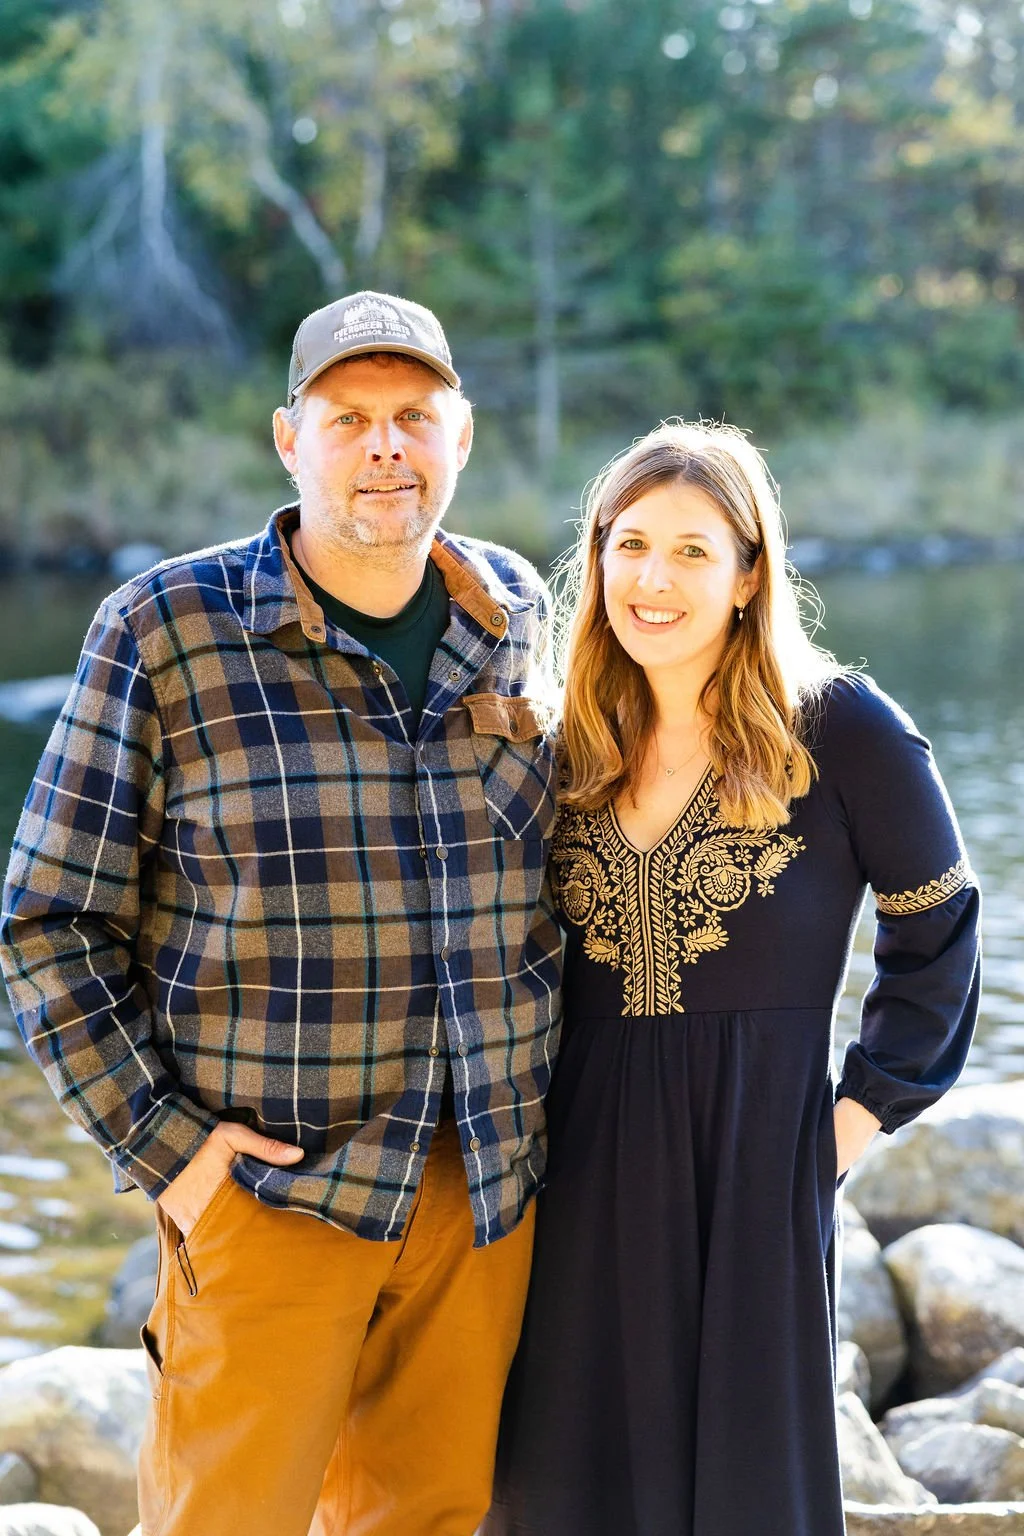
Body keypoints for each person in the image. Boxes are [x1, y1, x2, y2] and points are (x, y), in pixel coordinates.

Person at [0, 291, 562, 1536]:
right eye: (347, 416)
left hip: (480, 1198)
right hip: (270, 1199)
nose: (383, 446)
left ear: (459, 438)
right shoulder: (165, 630)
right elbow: (47, 921)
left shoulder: (516, 615)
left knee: (428, 1522)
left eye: (414, 416)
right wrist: (168, 1151)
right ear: (286, 438)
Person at [484, 421, 981, 1536]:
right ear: (597, 555)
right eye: (630, 545)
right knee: (564, 1474)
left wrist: (847, 1124)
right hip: (578, 1159)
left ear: (751, 571)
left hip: (761, 1153)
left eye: (694, 552)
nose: (653, 579)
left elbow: (939, 927)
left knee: (749, 1478)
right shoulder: (566, 747)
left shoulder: (842, 730)